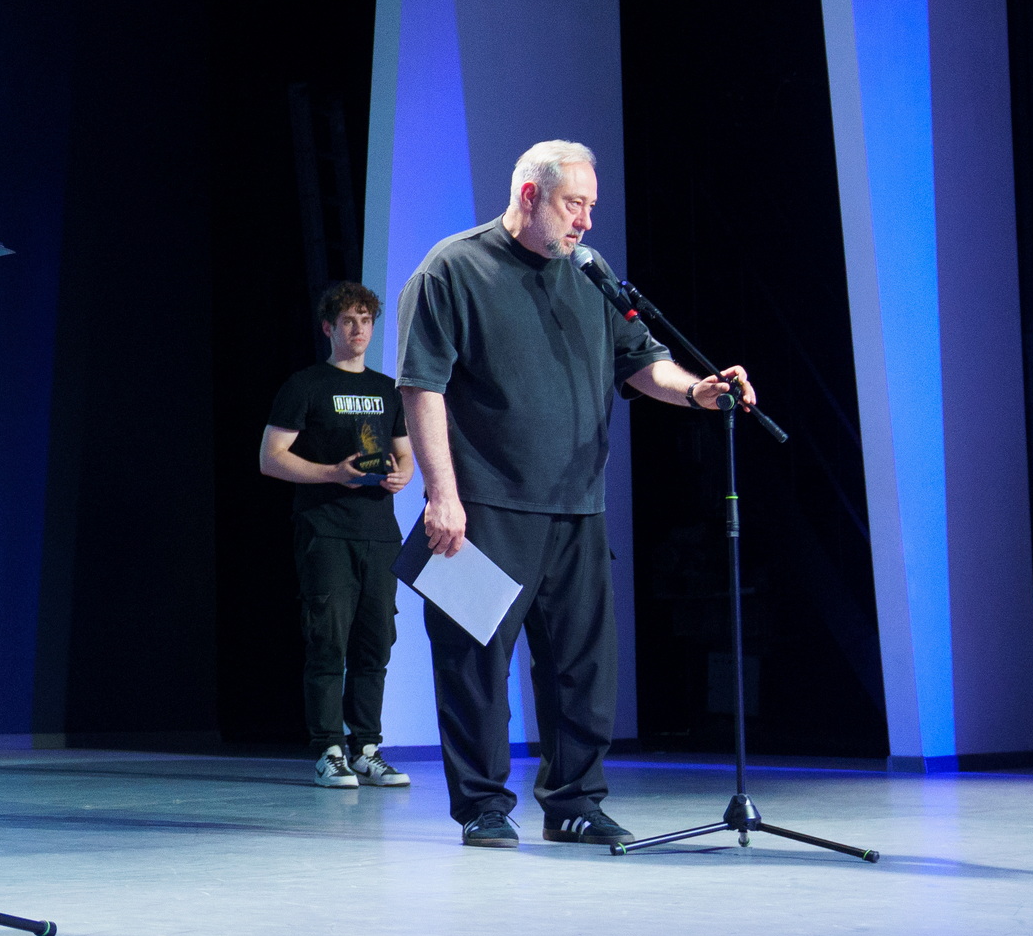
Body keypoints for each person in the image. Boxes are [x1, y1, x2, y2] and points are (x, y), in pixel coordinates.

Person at [392, 139, 756, 849]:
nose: (586, 221)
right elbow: (421, 386)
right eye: (573, 204)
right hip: (485, 506)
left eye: (591, 206)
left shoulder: (590, 272)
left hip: (577, 507)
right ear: (530, 196)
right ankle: (483, 806)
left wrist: (699, 393)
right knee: (474, 666)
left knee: (581, 668)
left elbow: (643, 362)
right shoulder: (452, 269)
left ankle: (574, 802)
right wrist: (442, 494)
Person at [258, 282, 415, 790]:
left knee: (376, 642)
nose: (359, 329)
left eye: (366, 320)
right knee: (328, 640)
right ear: (329, 327)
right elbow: (271, 458)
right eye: (349, 320)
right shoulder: (306, 385)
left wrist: (403, 474)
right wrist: (334, 474)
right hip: (325, 530)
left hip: (380, 533)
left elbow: (404, 452)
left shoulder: (387, 389)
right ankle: (329, 749)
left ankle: (366, 748)